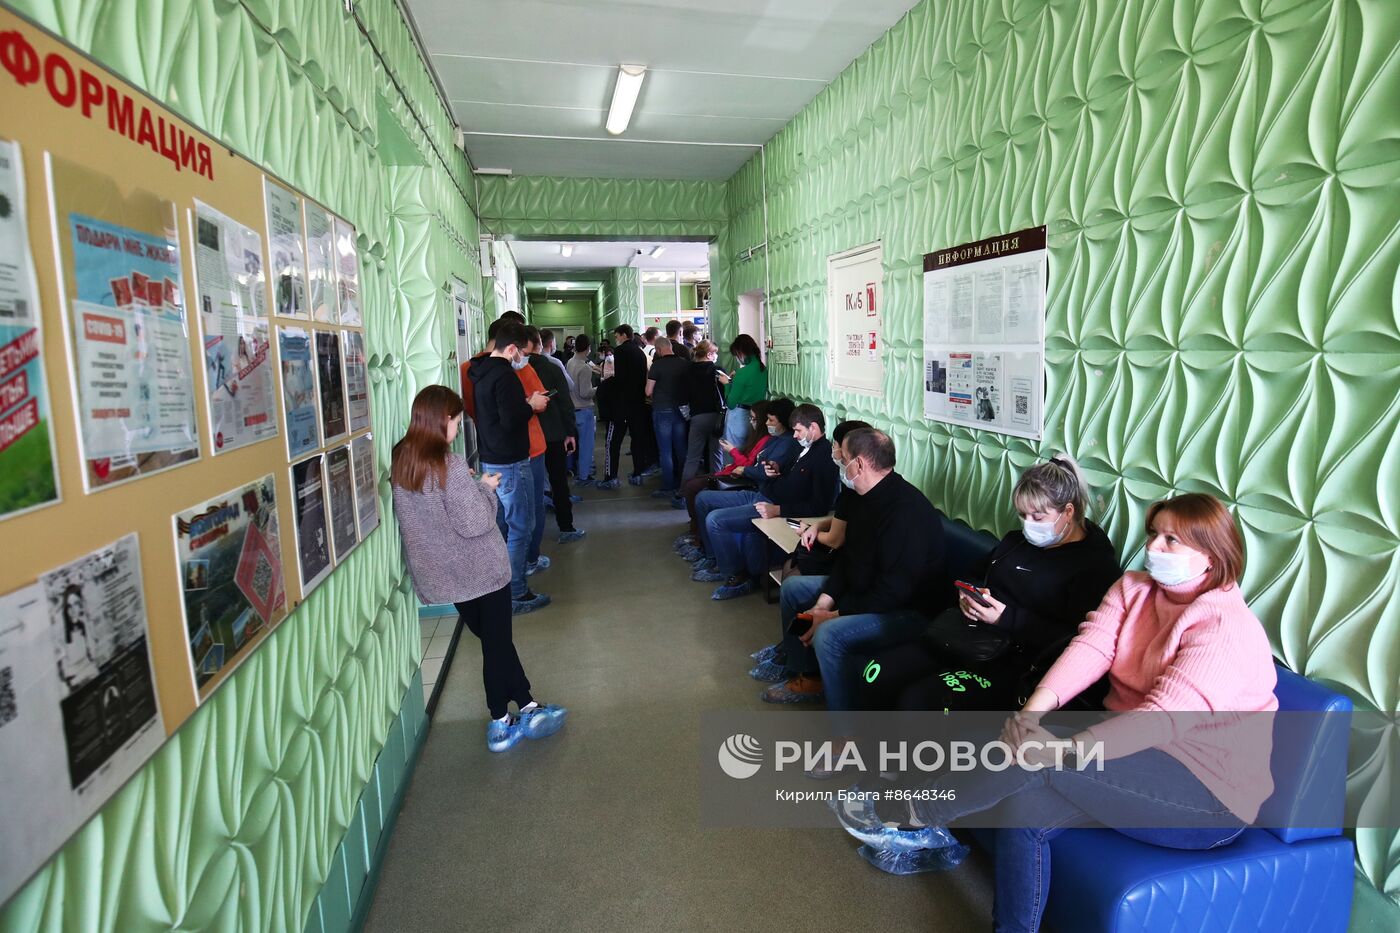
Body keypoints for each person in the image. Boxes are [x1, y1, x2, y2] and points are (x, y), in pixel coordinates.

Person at [840, 494, 1278, 933]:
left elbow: (1160, 719)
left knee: (1034, 761)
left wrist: (1065, 750)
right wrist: (1031, 714)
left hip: (1206, 794)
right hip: (1133, 752)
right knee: (1023, 798)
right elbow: (1091, 647)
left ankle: (914, 814)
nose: (1154, 547)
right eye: (1154, 534)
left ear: (1211, 554)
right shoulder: (1134, 588)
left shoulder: (1225, 627)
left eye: (1172, 540)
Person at [858, 455, 1122, 712]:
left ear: (1068, 512)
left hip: (1019, 663)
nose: (1028, 525)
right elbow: (975, 573)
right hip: (970, 635)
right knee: (876, 673)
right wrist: (969, 594)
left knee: (918, 701)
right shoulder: (1016, 542)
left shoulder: (1095, 567)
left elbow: (1077, 643)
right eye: (1022, 515)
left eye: (1038, 517)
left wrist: (1006, 618)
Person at [390, 385, 567, 751]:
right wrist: (485, 488)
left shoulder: (402, 460)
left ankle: (528, 703)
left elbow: (436, 510)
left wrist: (466, 486)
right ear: (442, 420)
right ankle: (500, 721)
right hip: (480, 571)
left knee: (494, 640)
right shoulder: (449, 465)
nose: (458, 429)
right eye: (456, 421)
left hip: (445, 576)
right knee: (496, 644)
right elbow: (475, 522)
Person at [758, 428, 946, 704]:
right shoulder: (862, 498)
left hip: (906, 610)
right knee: (794, 588)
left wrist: (832, 616)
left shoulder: (906, 512)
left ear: (858, 464)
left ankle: (846, 724)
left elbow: (892, 592)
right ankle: (803, 671)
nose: (839, 462)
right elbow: (849, 559)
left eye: (843, 458)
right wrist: (822, 605)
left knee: (828, 634)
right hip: (867, 590)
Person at [693, 404, 840, 600]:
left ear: (813, 427)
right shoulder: (801, 447)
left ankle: (736, 576)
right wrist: (775, 467)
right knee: (703, 499)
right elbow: (789, 472)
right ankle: (715, 558)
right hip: (763, 493)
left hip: (772, 505)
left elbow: (819, 506)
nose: (795, 435)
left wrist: (777, 510)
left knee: (715, 520)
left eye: (798, 430)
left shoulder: (824, 457)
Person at [466, 321, 551, 614]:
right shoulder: (505, 376)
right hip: (511, 460)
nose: (523, 359)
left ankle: (501, 583)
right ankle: (516, 591)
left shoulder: (480, 371)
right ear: (512, 349)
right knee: (521, 526)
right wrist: (532, 405)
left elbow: (499, 414)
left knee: (503, 523)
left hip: (492, 456)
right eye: (522, 353)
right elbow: (512, 419)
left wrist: (521, 405)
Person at [675, 400, 774, 556]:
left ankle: (698, 536)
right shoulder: (758, 437)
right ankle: (697, 531)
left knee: (693, 488)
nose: (751, 422)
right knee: (692, 485)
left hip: (743, 478)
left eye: (754, 419)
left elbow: (748, 465)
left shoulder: (767, 440)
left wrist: (732, 451)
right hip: (734, 472)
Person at [527, 327, 585, 544]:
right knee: (559, 480)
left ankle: (531, 539)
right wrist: (570, 432)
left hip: (527, 435)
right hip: (553, 433)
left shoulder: (514, 370)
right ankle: (566, 526)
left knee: (530, 486)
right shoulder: (551, 367)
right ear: (540, 344)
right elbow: (564, 402)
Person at [601, 324, 653, 488]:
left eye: (617, 336)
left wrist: (606, 384)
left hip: (621, 405)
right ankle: (638, 473)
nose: (616, 339)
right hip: (638, 404)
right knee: (637, 441)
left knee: (613, 442)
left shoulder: (621, 351)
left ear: (624, 335)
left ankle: (611, 477)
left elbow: (619, 378)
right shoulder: (640, 352)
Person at [646, 336, 690, 500]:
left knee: (665, 451)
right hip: (681, 410)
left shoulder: (657, 365)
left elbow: (648, 391)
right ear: (670, 346)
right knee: (681, 448)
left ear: (658, 350)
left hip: (662, 410)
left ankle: (667, 486)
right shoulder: (684, 363)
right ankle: (684, 483)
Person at [681, 339, 725, 484]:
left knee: (692, 457)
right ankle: (716, 486)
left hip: (697, 417)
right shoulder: (717, 371)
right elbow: (725, 394)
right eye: (715, 353)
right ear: (709, 354)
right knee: (716, 454)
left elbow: (683, 397)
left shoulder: (687, 371)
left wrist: (688, 416)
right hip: (716, 417)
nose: (716, 356)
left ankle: (684, 490)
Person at [718, 334, 767, 463]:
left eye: (736, 355)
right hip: (757, 416)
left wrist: (727, 384)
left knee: (732, 455)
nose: (737, 359)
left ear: (741, 352)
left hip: (738, 417)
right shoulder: (763, 369)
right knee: (750, 455)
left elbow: (731, 403)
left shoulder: (742, 373)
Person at [566, 335, 600, 486]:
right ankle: (584, 476)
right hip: (584, 410)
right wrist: (600, 388)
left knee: (576, 445)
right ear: (588, 348)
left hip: (572, 410)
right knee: (586, 446)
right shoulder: (584, 368)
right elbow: (585, 393)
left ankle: (575, 470)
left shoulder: (570, 362)